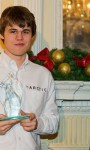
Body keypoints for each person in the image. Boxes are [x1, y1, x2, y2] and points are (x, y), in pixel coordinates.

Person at [0, 6, 59, 150]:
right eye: (13, 31)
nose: (19, 37)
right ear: (2, 34)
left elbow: (53, 122)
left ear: (32, 36)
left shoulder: (43, 75)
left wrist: (37, 123)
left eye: (25, 31)